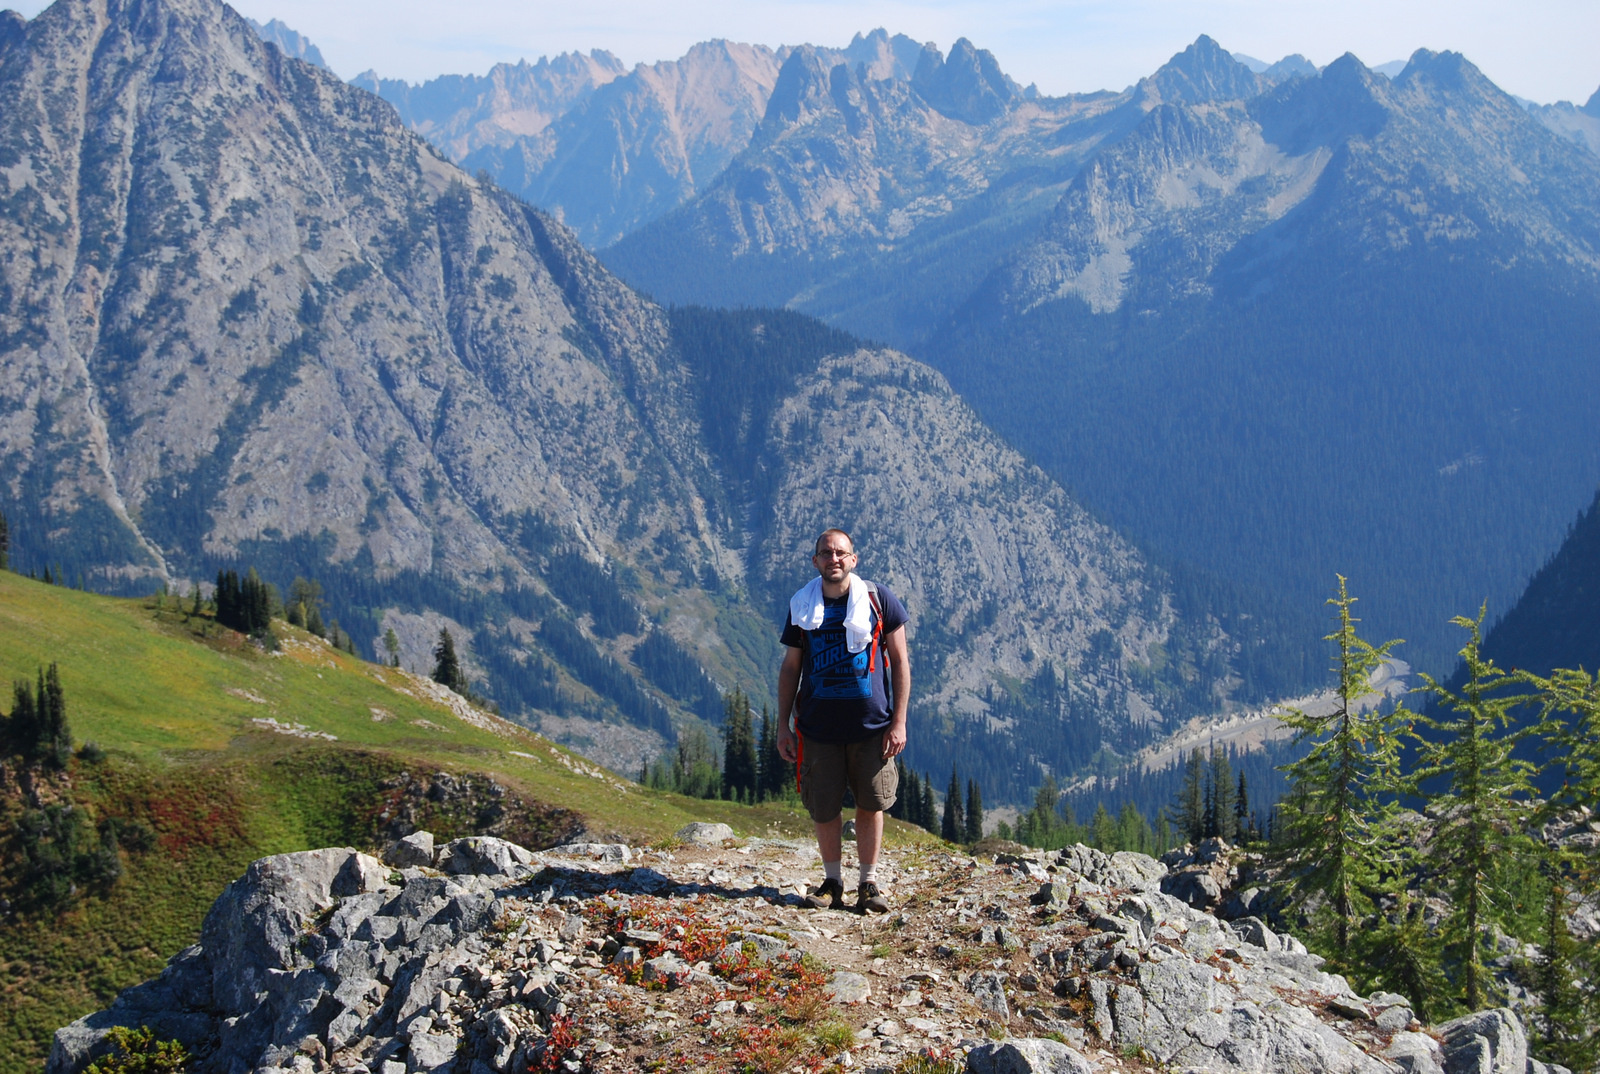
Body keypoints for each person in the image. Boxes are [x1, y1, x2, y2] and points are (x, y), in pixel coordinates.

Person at [777, 528, 910, 913]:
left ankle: (867, 882)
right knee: (824, 806)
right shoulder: (801, 605)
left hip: (872, 726)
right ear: (815, 561)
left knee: (871, 804)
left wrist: (898, 721)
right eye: (825, 553)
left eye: (840, 553)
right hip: (818, 727)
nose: (833, 559)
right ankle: (832, 881)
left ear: (854, 559)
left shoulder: (879, 599)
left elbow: (900, 662)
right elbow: (791, 668)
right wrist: (782, 725)